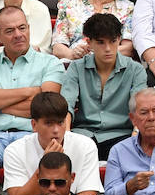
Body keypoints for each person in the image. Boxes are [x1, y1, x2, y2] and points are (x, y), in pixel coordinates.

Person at [0, 5, 64, 157]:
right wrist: (31, 92)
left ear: (29, 28)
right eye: (9, 31)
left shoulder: (51, 63)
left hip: (33, 136)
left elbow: (48, 108)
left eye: (22, 28)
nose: (18, 34)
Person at [58, 12, 145, 157]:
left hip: (122, 136)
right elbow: (67, 105)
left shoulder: (136, 69)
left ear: (119, 40)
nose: (108, 48)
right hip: (83, 135)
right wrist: (67, 138)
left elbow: (140, 106)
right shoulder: (76, 68)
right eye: (100, 42)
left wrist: (135, 139)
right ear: (89, 42)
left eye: (113, 41)